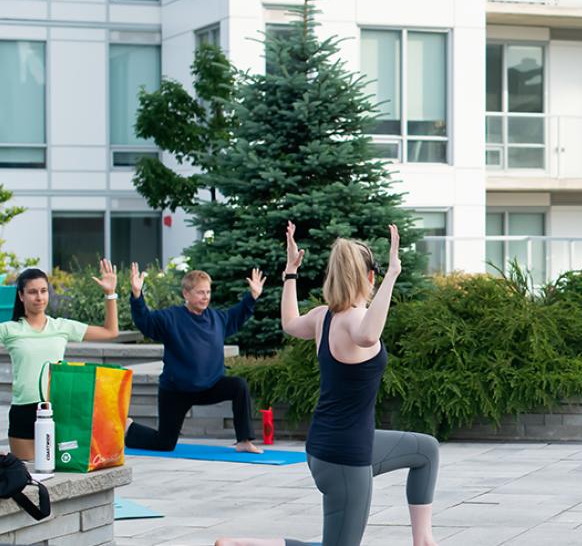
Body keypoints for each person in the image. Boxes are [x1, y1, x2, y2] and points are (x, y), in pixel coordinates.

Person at [215, 222, 440, 546]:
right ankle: (243, 545)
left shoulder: (324, 316)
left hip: (331, 444)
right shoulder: (352, 321)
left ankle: (424, 540)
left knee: (425, 450)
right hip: (345, 456)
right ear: (369, 276)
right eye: (376, 272)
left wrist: (290, 272)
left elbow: (290, 323)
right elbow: (368, 334)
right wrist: (393, 274)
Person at [125, 265, 266, 453]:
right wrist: (137, 295)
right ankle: (128, 428)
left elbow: (236, 316)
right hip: (176, 390)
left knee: (239, 385)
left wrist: (253, 296)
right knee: (165, 443)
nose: (206, 296)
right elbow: (145, 322)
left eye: (208, 292)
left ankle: (244, 441)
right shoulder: (170, 318)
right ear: (186, 294)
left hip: (209, 386)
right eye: (200, 292)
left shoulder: (217, 318)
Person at [0, 261, 121, 461]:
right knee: (25, 479)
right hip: (23, 411)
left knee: (60, 475)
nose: (39, 297)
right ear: (21, 296)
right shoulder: (9, 330)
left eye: (43, 291)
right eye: (32, 292)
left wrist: (110, 294)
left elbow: (111, 331)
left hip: (57, 410)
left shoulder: (62, 326)